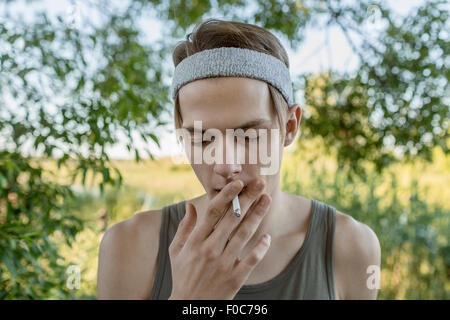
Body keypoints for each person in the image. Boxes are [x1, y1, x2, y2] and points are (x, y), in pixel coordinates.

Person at [97, 18, 381, 300]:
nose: (225, 165)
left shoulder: (351, 247)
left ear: (290, 127)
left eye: (248, 136)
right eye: (202, 138)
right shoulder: (129, 247)